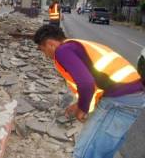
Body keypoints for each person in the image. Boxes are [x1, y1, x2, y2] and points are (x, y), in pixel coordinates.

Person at [33, 25, 145, 158]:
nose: (46, 56)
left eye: (43, 50)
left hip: (119, 101)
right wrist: (79, 104)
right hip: (132, 98)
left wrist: (82, 108)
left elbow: (87, 84)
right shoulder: (77, 45)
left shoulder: (62, 51)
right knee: (103, 152)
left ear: (50, 44)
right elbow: (97, 83)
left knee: (85, 153)